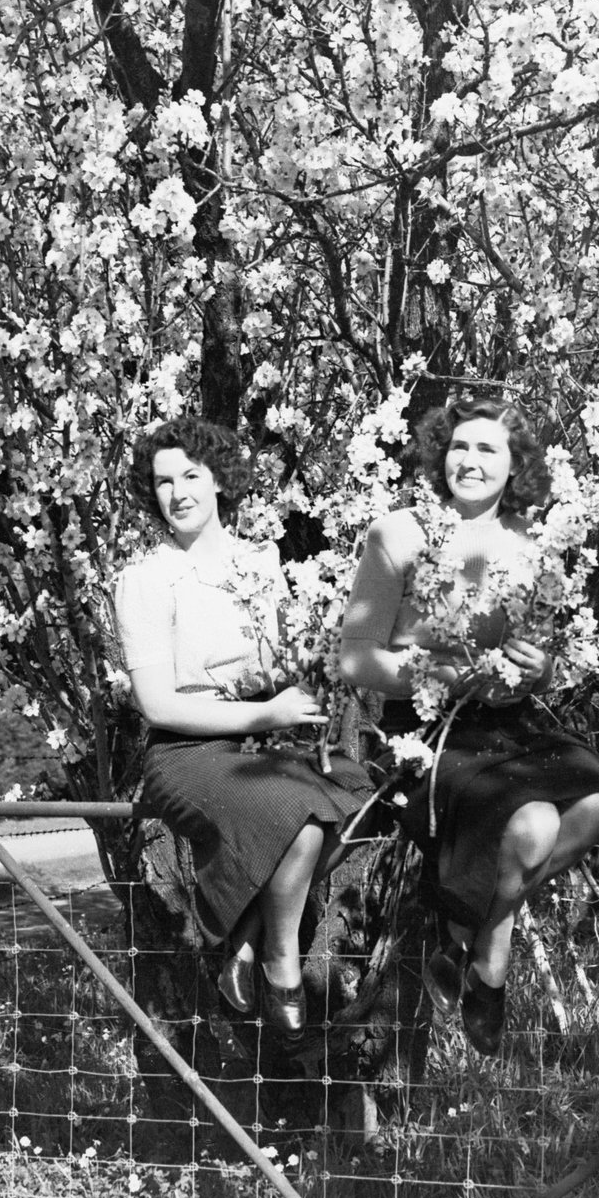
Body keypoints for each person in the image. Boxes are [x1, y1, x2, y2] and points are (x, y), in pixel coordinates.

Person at [337, 396, 599, 1055]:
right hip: (423, 729)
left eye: (487, 449)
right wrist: (441, 676)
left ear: (514, 464)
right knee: (531, 825)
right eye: (459, 446)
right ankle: (489, 962)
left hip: (509, 721)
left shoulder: (535, 543)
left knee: (598, 806)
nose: (469, 460)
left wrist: (534, 667)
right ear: (439, 456)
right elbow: (355, 658)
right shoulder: (398, 534)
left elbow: (541, 665)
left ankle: (466, 935)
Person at [112, 416, 374, 1031]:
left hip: (262, 742)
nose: (177, 493)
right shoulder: (145, 581)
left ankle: (246, 939)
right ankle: (280, 964)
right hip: (186, 753)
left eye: (190, 476)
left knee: (360, 800)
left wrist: (305, 656)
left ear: (219, 482)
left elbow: (277, 661)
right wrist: (264, 707)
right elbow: (158, 705)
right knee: (300, 820)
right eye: (162, 482)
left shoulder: (261, 562)